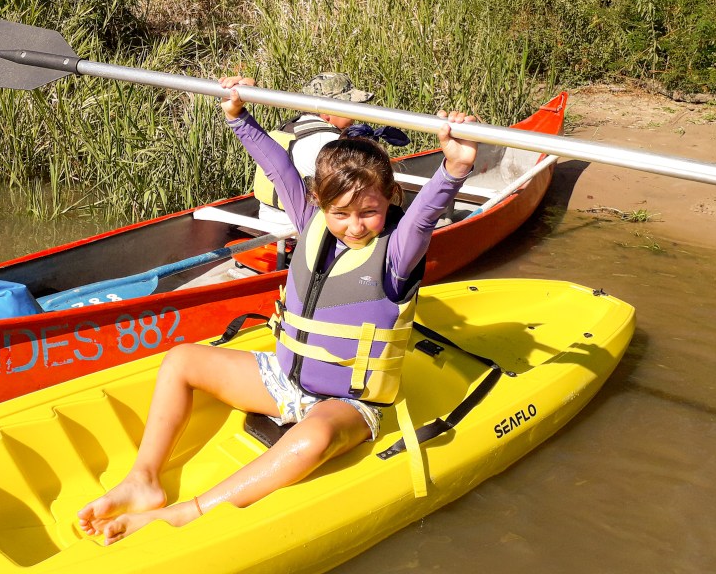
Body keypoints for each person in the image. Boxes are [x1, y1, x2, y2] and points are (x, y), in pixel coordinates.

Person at [76, 76, 478, 545]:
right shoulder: (309, 223)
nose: (354, 226)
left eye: (368, 212)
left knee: (312, 438)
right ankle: (142, 479)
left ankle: (189, 512)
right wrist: (237, 117)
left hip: (349, 403)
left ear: (388, 201)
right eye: (341, 213)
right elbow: (279, 167)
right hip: (283, 381)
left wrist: (454, 167)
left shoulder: (397, 251)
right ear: (319, 203)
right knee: (181, 359)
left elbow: (426, 214)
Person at [254, 72, 382, 227]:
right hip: (302, 229)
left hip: (266, 222)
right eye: (350, 107)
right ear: (327, 112)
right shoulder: (331, 143)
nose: (354, 116)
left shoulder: (284, 130)